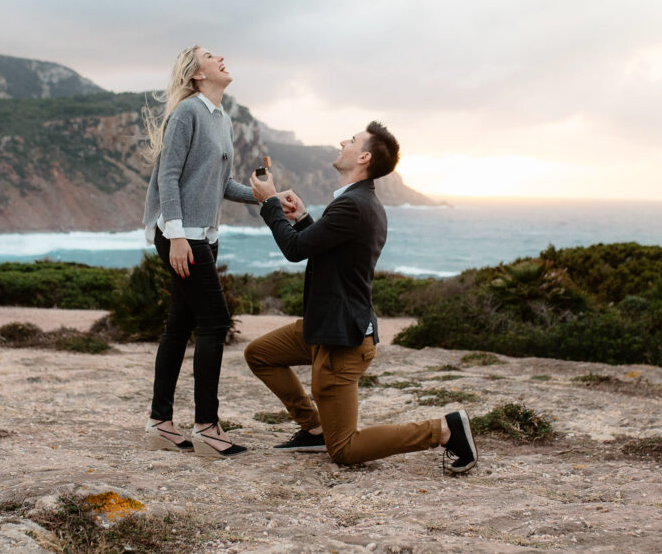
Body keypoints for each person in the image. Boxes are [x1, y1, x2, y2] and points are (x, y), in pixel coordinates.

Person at [245, 122, 478, 474]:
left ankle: (443, 430)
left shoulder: (354, 205)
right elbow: (327, 253)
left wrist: (269, 206)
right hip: (325, 325)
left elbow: (294, 250)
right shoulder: (357, 202)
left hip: (342, 340)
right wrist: (305, 219)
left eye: (351, 140)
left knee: (344, 449)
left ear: (364, 157)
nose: (342, 141)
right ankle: (313, 428)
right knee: (259, 354)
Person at [142, 45, 291, 457]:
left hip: (202, 235)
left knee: (180, 325)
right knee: (215, 321)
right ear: (196, 74)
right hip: (182, 236)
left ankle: (161, 423)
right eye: (211, 55)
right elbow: (169, 176)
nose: (222, 56)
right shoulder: (187, 112)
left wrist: (269, 199)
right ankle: (207, 427)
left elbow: (221, 185)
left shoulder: (221, 119)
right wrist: (174, 235)